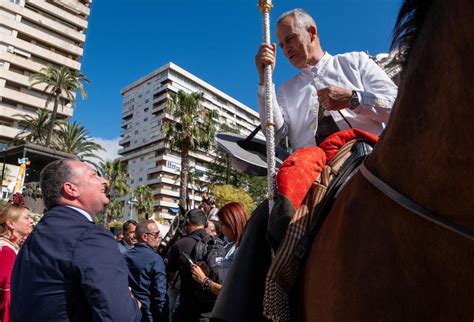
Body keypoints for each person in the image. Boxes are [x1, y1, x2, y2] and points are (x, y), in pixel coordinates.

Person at [11, 160, 142, 322]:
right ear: (71, 189)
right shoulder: (90, 237)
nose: (105, 181)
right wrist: (133, 304)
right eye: (94, 175)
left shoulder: (35, 236)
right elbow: (120, 317)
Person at [256, 8, 398, 149]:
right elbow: (274, 134)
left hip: (372, 159)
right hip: (311, 167)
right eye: (281, 45)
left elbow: (396, 105)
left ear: (311, 32)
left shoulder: (356, 61)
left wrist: (353, 99)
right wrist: (264, 80)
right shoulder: (286, 90)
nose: (286, 50)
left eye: (290, 39)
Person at [191, 202, 249, 296]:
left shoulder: (245, 251)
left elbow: (234, 292)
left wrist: (204, 281)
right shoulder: (230, 246)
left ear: (232, 224)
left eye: (222, 224)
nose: (221, 230)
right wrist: (208, 272)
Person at [167, 209, 212, 321]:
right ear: (205, 224)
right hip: (212, 309)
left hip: (188, 308)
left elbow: (171, 275)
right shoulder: (217, 243)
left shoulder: (180, 244)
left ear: (187, 223)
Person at [126, 220, 168, 322]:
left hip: (130, 313)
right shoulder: (155, 259)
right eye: (156, 234)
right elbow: (160, 294)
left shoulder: (124, 256)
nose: (159, 237)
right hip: (149, 315)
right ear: (145, 237)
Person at [0, 193, 34, 322]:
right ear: (11, 224)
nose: (31, 221)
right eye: (26, 218)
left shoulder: (10, 247)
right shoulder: (6, 251)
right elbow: (6, 296)